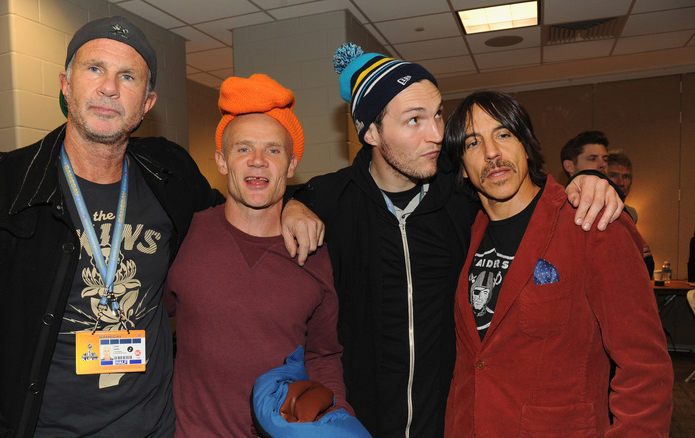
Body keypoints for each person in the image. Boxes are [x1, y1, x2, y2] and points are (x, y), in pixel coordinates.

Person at [0, 17, 314, 438]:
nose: (109, 87)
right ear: (66, 83)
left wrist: (294, 204)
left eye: (127, 76)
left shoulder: (171, 175)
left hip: (157, 428)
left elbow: (237, 213)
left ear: (147, 103)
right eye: (94, 69)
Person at [284, 43, 625, 437]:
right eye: (414, 120)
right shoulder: (333, 204)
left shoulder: (462, 195)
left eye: (438, 114)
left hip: (450, 423)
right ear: (371, 132)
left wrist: (591, 182)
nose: (437, 135)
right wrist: (292, 204)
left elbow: (524, 190)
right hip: (359, 425)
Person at [442, 90, 673, 437]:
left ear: (527, 145)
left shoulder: (590, 223)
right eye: (473, 143)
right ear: (462, 166)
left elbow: (645, 368)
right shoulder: (464, 232)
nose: (492, 153)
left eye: (503, 134)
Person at [165, 74, 354, 437]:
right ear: (221, 161)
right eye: (243, 149)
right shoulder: (185, 234)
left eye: (273, 150)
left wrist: (336, 420)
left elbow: (323, 356)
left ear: (291, 165)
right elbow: (144, 319)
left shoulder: (312, 253)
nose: (257, 161)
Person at [607, 150, 655, 277]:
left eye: (626, 177)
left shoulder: (631, 213)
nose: (621, 182)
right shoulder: (594, 210)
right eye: (613, 175)